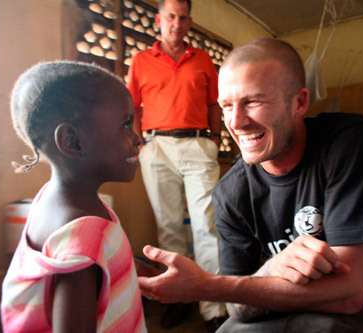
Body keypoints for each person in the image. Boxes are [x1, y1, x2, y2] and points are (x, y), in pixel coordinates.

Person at [137, 38, 363, 332]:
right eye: (227, 106)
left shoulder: (350, 144)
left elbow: (349, 295)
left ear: (299, 102)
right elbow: (238, 310)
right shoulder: (230, 192)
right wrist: (271, 268)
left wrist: (209, 286)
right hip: (280, 310)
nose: (236, 122)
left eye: (253, 101)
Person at [0, 61, 147, 332]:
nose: (137, 138)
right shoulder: (79, 247)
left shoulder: (54, 199)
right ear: (72, 141)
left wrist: (131, 267)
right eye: (126, 125)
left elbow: (102, 257)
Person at [126, 0, 226, 330]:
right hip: (157, 148)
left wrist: (213, 138)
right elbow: (133, 106)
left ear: (189, 21)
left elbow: (214, 103)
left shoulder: (203, 59)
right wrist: (140, 142)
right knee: (168, 227)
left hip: (197, 144)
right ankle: (180, 300)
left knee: (206, 226)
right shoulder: (141, 61)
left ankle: (214, 308)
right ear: (159, 19)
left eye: (183, 17)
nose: (176, 23)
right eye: (171, 16)